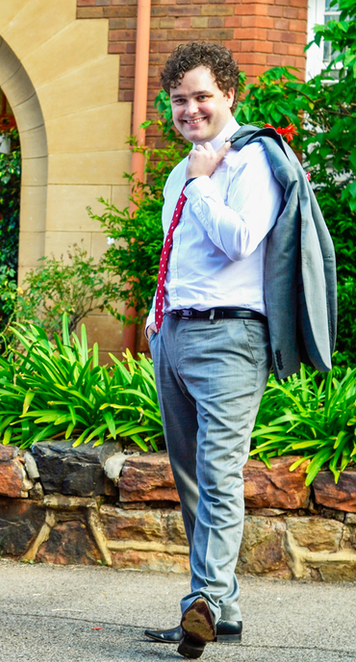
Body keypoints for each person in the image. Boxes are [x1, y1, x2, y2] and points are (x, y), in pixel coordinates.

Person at [142, 42, 336, 659]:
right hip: (174, 334)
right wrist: (155, 319)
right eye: (179, 100)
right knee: (190, 478)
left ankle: (202, 603)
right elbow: (180, 253)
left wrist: (202, 186)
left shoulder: (252, 161)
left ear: (228, 94)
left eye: (202, 96)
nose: (190, 109)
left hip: (231, 336)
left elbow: (241, 242)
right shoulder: (181, 171)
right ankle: (219, 611)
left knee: (220, 474)